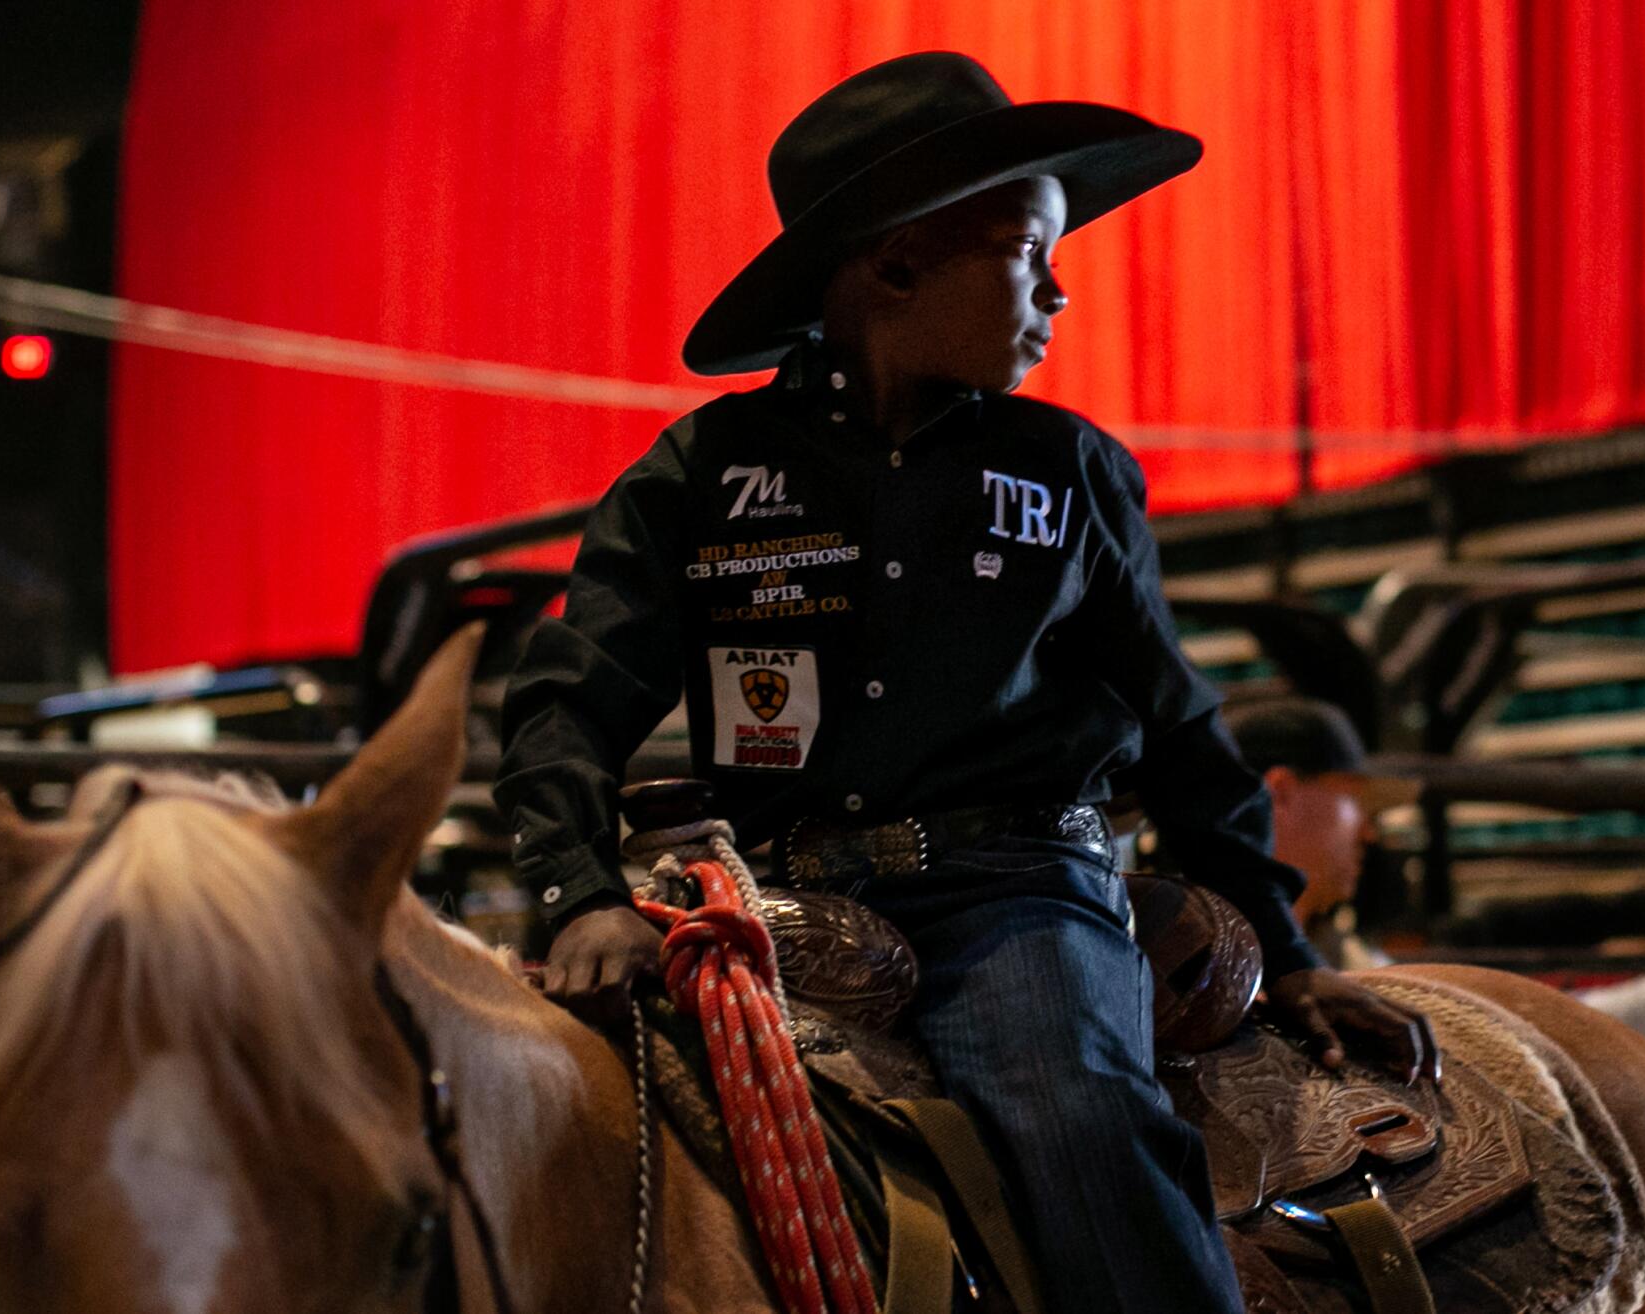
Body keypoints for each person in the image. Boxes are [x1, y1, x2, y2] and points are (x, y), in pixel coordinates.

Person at [496, 52, 1434, 1310]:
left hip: (1016, 895)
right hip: (772, 899)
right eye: (1027, 251)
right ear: (891, 268)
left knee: (1079, 1110)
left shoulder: (1066, 471)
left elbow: (1174, 719)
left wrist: (1281, 941)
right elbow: (571, 692)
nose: (1056, 291)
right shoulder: (697, 477)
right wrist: (575, 892)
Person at [1220, 696, 1421, 970]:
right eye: (1355, 800)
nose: (1369, 834)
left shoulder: (1346, 957)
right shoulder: (1199, 956)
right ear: (1280, 793)